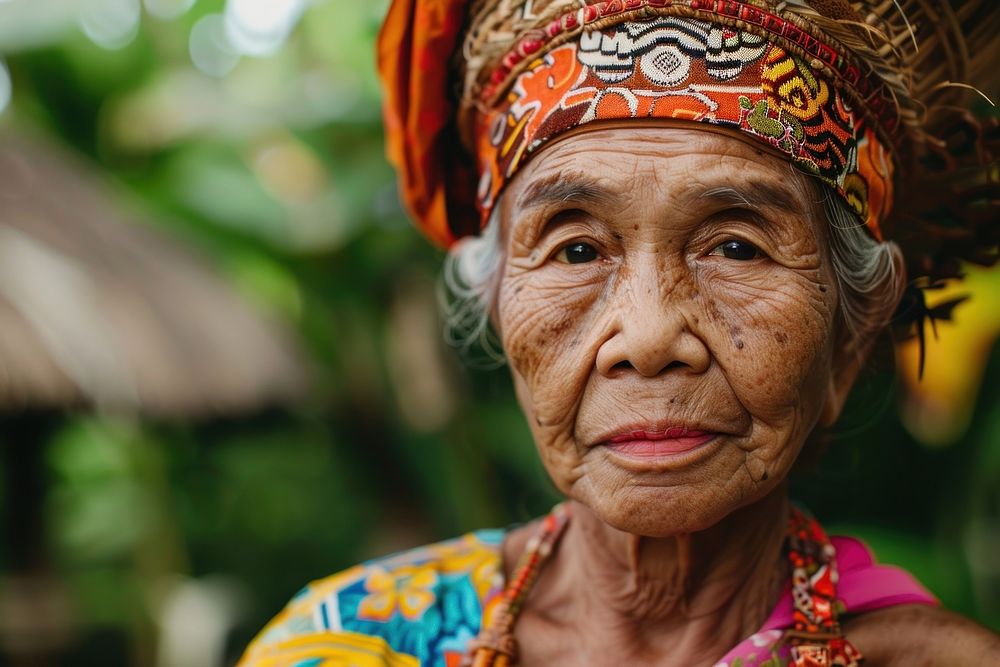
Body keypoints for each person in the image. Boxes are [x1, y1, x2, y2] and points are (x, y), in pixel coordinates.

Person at [238, 1, 1000, 665]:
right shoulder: (342, 646)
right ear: (501, 310)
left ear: (850, 338)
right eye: (575, 249)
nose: (647, 335)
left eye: (736, 246)